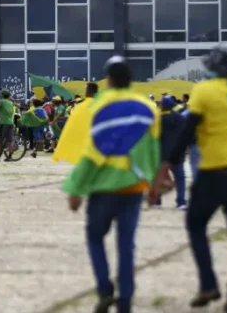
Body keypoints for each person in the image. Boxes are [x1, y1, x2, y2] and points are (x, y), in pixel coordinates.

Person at [153, 0, 227, 313]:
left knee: (196, 225)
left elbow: (187, 133)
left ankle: (207, 282)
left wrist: (166, 164)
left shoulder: (204, 92)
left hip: (214, 173)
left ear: (211, 69)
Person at [62, 56, 160, 313]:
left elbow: (93, 151)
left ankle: (105, 290)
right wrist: (154, 185)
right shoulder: (147, 107)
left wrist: (76, 188)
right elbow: (152, 150)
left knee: (95, 237)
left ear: (109, 79)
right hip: (134, 188)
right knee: (126, 245)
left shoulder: (100, 105)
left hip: (104, 187)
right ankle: (125, 301)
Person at [152, 96, 187, 210]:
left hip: (161, 153)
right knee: (180, 178)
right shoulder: (180, 118)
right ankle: (181, 202)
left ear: (162, 105)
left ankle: (157, 201)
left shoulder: (156, 119)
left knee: (159, 178)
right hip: (177, 153)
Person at [0, 90, 15, 160]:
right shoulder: (11, 102)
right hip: (11, 122)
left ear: (2, 95)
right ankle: (10, 156)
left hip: (3, 123)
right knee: (10, 140)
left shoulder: (1, 101)